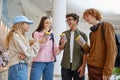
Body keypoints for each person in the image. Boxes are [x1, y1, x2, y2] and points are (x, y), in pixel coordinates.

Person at [5, 15, 47, 80]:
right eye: (27, 23)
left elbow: (27, 52)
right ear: (21, 24)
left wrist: (26, 55)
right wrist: (38, 42)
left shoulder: (21, 37)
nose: (29, 26)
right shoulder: (15, 36)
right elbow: (29, 52)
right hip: (18, 66)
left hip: (20, 66)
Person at [82, 8, 117, 80]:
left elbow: (112, 50)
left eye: (87, 16)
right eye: (84, 17)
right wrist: (83, 44)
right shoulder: (91, 33)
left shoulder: (106, 26)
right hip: (91, 66)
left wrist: (108, 70)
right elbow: (91, 50)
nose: (85, 18)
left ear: (94, 14)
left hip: (101, 68)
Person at [59, 13, 88, 80]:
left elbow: (85, 52)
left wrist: (83, 66)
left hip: (78, 66)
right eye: (67, 20)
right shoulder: (64, 34)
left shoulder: (83, 35)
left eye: (70, 19)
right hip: (65, 65)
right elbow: (61, 48)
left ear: (76, 21)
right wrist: (62, 44)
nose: (68, 22)